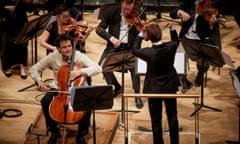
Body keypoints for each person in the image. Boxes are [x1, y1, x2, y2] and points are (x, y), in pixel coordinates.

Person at [29, 34, 102, 144]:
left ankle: (81, 134)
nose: (68, 49)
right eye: (64, 47)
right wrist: (39, 81)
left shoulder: (78, 56)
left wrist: (80, 72)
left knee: (88, 103)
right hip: (60, 88)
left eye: (69, 46)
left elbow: (98, 68)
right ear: (58, 49)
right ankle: (54, 132)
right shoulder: (53, 57)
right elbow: (34, 69)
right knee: (45, 101)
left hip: (78, 87)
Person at [132, 22, 180, 144]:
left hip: (154, 89)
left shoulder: (148, 52)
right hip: (170, 86)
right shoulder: (170, 47)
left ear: (148, 37)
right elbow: (176, 40)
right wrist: (172, 28)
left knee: (156, 119)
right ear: (160, 35)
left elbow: (135, 49)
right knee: (172, 115)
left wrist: (140, 34)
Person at [95, 0, 144, 109]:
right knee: (103, 66)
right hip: (114, 46)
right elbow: (99, 29)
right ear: (122, 3)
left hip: (131, 47)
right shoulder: (111, 12)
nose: (127, 12)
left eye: (129, 9)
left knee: (135, 68)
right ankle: (116, 87)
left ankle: (137, 95)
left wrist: (141, 30)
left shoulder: (138, 13)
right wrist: (111, 39)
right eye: (125, 9)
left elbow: (141, 34)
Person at [170, 0, 220, 87]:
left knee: (204, 62)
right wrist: (180, 12)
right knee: (177, 56)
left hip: (202, 39)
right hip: (186, 38)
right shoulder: (188, 3)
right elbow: (172, 13)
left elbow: (211, 31)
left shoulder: (211, 5)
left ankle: (200, 75)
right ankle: (183, 79)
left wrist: (211, 25)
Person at [39, 3, 92, 84]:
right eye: (64, 16)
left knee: (84, 65)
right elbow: (42, 42)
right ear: (57, 16)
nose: (67, 18)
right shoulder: (52, 26)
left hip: (68, 52)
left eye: (68, 15)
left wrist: (87, 33)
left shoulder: (71, 26)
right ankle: (68, 85)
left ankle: (85, 88)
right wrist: (53, 48)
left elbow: (81, 40)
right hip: (55, 53)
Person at [0, 0, 38, 79]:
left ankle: (22, 66)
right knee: (7, 43)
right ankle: (7, 66)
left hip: (20, 22)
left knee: (23, 43)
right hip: (6, 23)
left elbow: (30, 9)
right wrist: (5, 8)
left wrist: (31, 2)